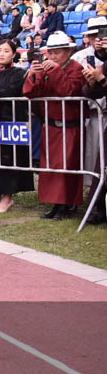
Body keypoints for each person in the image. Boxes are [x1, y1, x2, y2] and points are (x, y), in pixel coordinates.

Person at [23, 31, 87, 219]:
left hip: (70, 126)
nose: (53, 56)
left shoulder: (76, 68)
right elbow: (32, 93)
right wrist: (33, 75)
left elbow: (69, 90)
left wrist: (55, 71)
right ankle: (55, 204)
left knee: (67, 167)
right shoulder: (47, 68)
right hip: (50, 125)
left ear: (68, 52)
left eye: (57, 52)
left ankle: (68, 204)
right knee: (51, 167)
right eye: (50, 52)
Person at [0, 38, 33, 213]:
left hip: (11, 123)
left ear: (14, 54)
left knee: (10, 159)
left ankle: (8, 197)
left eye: (6, 51)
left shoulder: (19, 73)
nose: (2, 54)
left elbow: (10, 91)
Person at [77, 16, 107, 224]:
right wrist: (92, 83)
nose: (99, 39)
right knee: (100, 165)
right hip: (97, 114)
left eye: (102, 34)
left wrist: (101, 79)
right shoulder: (86, 57)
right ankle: (97, 208)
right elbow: (93, 93)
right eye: (94, 35)